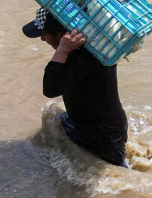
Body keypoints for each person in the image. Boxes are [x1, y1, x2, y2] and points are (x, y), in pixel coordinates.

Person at [23, 9, 128, 167]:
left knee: (116, 170)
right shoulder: (90, 47)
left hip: (102, 133)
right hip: (87, 123)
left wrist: (62, 50)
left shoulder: (86, 57)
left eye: (44, 33)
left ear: (61, 35)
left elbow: (50, 89)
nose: (42, 38)